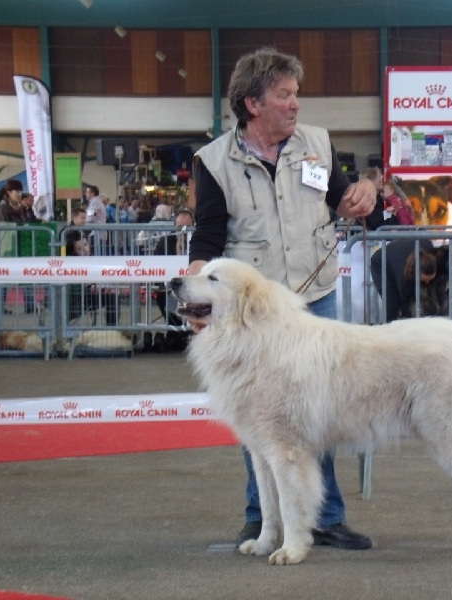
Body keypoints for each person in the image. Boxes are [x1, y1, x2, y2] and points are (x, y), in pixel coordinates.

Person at [186, 47, 376, 551]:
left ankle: (326, 517)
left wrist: (363, 197)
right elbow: (206, 236)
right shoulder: (213, 162)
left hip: (317, 296)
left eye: (296, 95)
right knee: (262, 418)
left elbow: (342, 199)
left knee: (322, 412)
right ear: (252, 103)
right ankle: (262, 517)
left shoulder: (316, 143)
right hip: (258, 314)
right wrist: (197, 297)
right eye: (284, 95)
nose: (295, 105)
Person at [148, 208, 194, 352]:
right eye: (180, 227)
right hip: (171, 287)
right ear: (174, 226)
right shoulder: (165, 242)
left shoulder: (198, 241)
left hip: (194, 287)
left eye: (188, 227)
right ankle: (177, 331)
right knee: (163, 296)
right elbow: (158, 264)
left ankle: (189, 331)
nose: (184, 230)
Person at [370, 238, 436, 322]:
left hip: (398, 255)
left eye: (430, 280)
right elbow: (404, 301)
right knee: (392, 303)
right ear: (415, 273)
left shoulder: (430, 248)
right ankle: (389, 328)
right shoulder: (402, 275)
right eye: (424, 280)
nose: (427, 283)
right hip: (381, 265)